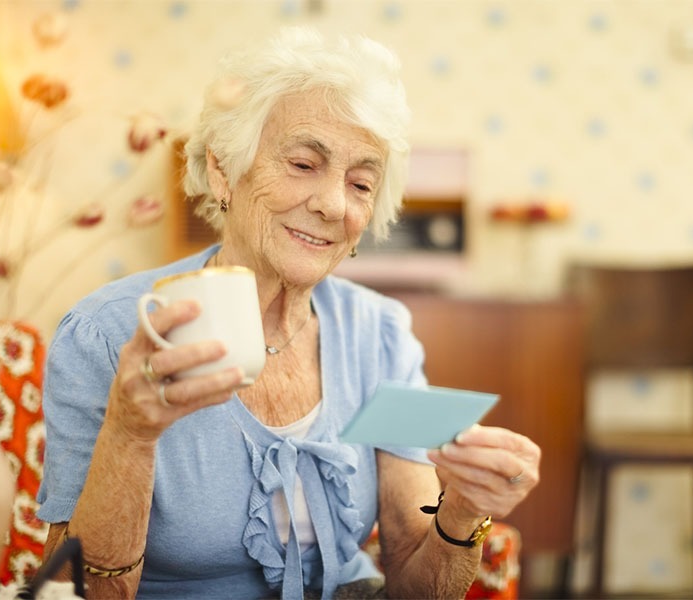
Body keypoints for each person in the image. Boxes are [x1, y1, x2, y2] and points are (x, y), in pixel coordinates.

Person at [37, 26, 540, 599]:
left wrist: (463, 510)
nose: (333, 205)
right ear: (224, 168)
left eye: (360, 183)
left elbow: (414, 585)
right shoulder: (106, 334)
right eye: (303, 164)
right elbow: (68, 591)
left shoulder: (379, 334)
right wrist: (130, 434)